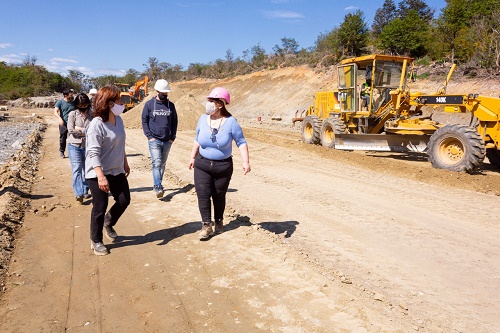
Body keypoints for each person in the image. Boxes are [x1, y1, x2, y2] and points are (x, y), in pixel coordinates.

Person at [188, 87, 251, 240]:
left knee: (219, 195)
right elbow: (197, 139)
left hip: (223, 166)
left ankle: (219, 221)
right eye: (208, 100)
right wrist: (192, 157)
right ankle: (206, 225)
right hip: (202, 163)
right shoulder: (203, 119)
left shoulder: (231, 122)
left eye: (212, 101)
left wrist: (246, 161)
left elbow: (241, 142)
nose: (208, 104)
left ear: (220, 104)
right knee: (203, 194)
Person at [85, 85, 131, 256]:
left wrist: (124, 162)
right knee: (99, 206)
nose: (122, 103)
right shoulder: (97, 125)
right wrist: (100, 176)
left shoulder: (119, 120)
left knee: (124, 200)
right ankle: (96, 240)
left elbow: (121, 143)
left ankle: (108, 222)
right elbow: (92, 152)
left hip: (116, 169)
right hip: (98, 173)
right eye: (119, 100)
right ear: (109, 103)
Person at [141, 79, 178, 198]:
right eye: (163, 92)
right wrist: (149, 136)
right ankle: (158, 186)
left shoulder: (170, 106)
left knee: (162, 164)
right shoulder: (149, 105)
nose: (165, 94)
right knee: (156, 163)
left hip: (167, 140)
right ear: (157, 91)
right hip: (154, 140)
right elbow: (144, 120)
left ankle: (158, 183)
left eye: (166, 92)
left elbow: (174, 122)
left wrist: (172, 137)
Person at [67, 93, 92, 204]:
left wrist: (80, 130)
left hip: (88, 145)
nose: (83, 106)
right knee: (77, 169)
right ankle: (79, 193)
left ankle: (85, 189)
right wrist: (85, 131)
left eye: (84, 104)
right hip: (74, 146)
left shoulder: (92, 114)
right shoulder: (72, 114)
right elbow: (71, 130)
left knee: (87, 169)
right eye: (80, 104)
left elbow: (94, 130)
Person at [53, 88, 75, 158]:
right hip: (63, 123)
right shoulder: (60, 102)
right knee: (63, 138)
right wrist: (59, 119)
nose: (71, 94)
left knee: (72, 138)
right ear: (65, 95)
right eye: (70, 93)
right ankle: (62, 151)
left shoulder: (73, 102)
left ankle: (71, 152)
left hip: (72, 124)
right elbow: (55, 111)